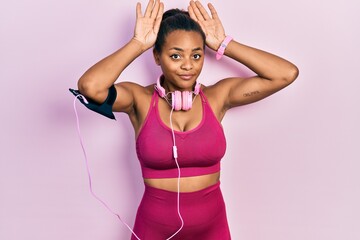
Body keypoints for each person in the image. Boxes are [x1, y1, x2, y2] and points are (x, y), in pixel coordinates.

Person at [75, 0, 299, 239]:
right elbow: (90, 86)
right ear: (157, 57)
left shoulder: (217, 97)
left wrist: (225, 43)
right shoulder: (138, 99)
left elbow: (285, 74)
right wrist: (137, 44)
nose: (188, 66)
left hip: (212, 229)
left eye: (196, 55)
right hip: (153, 230)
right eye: (175, 55)